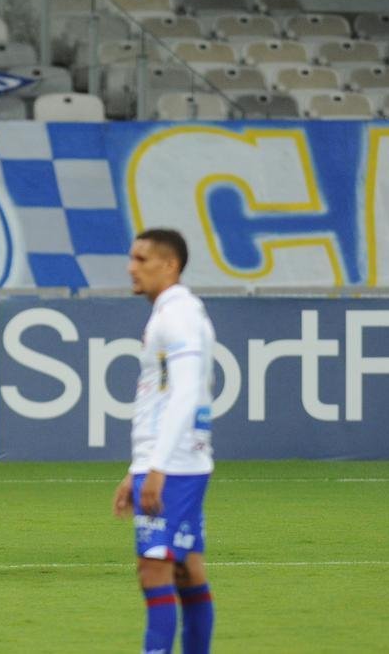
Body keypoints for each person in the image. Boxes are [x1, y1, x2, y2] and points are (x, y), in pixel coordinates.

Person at [112, 228, 216, 654]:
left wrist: (155, 468)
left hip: (172, 467)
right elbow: (163, 397)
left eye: (141, 259)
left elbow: (186, 392)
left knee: (152, 570)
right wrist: (137, 468)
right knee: (186, 571)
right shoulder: (174, 312)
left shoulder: (178, 316)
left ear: (169, 265)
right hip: (173, 462)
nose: (131, 267)